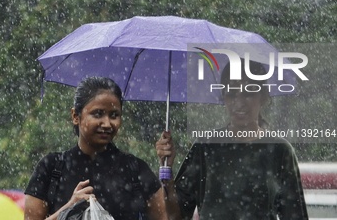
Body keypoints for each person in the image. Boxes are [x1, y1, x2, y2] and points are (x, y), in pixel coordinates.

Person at [156, 60, 308, 220]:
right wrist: (166, 170)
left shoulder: (279, 150)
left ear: (262, 96)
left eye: (248, 92)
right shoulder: (206, 147)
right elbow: (176, 215)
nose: (239, 103)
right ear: (224, 97)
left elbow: (295, 215)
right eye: (232, 93)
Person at [25, 76, 167, 220]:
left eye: (114, 115)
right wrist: (70, 207)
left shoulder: (136, 170)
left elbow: (166, 215)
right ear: (75, 116)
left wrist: (167, 169)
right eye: (98, 114)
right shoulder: (51, 168)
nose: (107, 123)